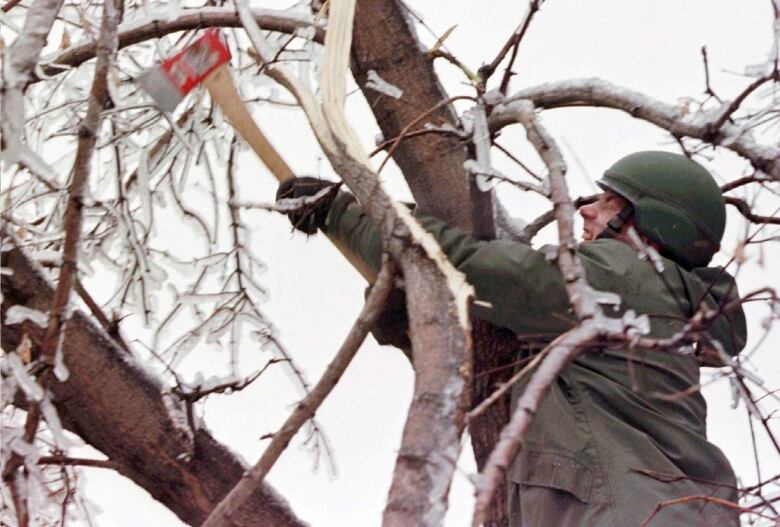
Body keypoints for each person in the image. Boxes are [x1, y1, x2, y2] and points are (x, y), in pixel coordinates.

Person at [277, 151, 747, 526]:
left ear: (653, 224)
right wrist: (403, 308)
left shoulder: (625, 275)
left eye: (607, 203)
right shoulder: (639, 315)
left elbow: (473, 268)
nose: (585, 208)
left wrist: (350, 214)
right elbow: (487, 375)